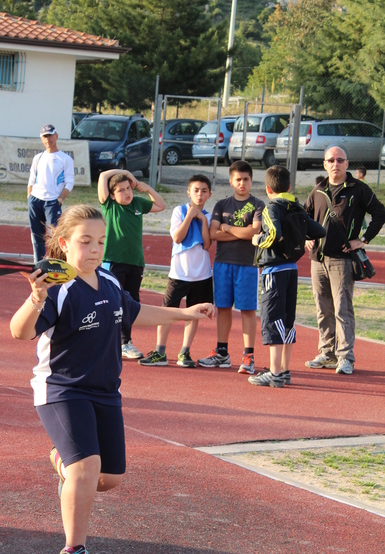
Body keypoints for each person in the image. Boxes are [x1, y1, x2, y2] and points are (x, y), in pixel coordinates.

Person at [10, 204, 214, 554]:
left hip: (106, 392)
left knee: (110, 478)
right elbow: (20, 332)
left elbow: (135, 314)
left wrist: (189, 314)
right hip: (62, 391)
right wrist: (36, 297)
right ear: (63, 244)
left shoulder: (110, 283)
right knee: (86, 470)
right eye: (85, 241)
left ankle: (64, 461)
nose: (94, 249)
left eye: (101, 241)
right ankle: (73, 552)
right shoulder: (57, 289)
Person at [304, 146, 385, 374]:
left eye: (340, 160)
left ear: (347, 164)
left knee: (343, 309)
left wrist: (364, 240)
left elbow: (380, 213)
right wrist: (306, 239)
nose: (335, 164)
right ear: (324, 164)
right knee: (323, 309)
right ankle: (327, 353)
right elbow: (303, 217)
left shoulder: (359, 189)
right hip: (317, 259)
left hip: (342, 260)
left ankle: (345, 358)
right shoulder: (318, 190)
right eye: (331, 160)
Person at [249, 166, 325, 387]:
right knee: (287, 319)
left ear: (268, 188)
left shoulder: (271, 208)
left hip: (274, 269)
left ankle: (274, 374)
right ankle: (284, 370)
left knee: (273, 319)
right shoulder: (298, 207)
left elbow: (274, 233)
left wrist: (258, 241)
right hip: (292, 269)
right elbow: (320, 230)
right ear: (289, 187)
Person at [139, 174, 213, 367]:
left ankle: (185, 351)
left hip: (202, 275)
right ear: (189, 192)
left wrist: (203, 221)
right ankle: (160, 351)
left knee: (194, 313)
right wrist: (190, 215)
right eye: (196, 190)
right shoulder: (179, 211)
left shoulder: (209, 217)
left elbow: (206, 244)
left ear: (209, 195)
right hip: (179, 274)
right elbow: (178, 237)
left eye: (204, 191)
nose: (199, 195)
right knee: (167, 312)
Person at [197, 160, 264, 374]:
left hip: (247, 265)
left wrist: (227, 227)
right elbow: (214, 234)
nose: (242, 183)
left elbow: (253, 232)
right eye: (238, 179)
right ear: (231, 181)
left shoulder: (258, 205)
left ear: (251, 181)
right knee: (223, 308)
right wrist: (237, 231)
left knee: (247, 310)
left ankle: (248, 356)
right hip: (223, 264)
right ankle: (222, 353)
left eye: (246, 179)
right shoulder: (221, 205)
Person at [98, 168, 166, 360]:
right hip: (114, 261)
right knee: (111, 301)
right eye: (120, 190)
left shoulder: (137, 203)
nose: (127, 193)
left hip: (135, 263)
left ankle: (125, 342)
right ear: (112, 195)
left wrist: (147, 189)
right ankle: (106, 339)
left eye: (128, 188)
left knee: (129, 303)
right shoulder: (109, 206)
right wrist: (127, 172)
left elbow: (161, 205)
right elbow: (103, 176)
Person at [27, 124, 75, 262]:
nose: (48, 139)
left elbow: (69, 182)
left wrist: (60, 199)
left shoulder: (65, 159)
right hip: (35, 201)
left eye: (50, 135)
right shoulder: (38, 158)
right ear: (41, 139)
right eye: (45, 136)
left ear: (56, 136)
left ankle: (57, 262)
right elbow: (31, 179)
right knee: (37, 236)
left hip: (52, 202)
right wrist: (29, 197)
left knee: (55, 235)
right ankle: (39, 264)